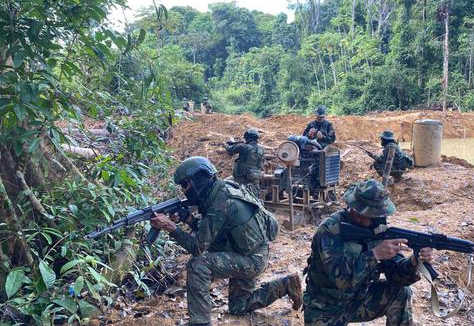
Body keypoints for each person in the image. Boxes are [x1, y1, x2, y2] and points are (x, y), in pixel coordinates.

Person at [150, 157, 302, 326]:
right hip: (247, 250)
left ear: (198, 181)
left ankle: (200, 323)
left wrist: (171, 228)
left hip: (251, 258)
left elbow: (198, 247)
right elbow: (212, 231)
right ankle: (286, 284)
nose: (184, 191)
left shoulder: (220, 203)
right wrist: (187, 218)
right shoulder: (223, 189)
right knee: (239, 306)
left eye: (185, 185)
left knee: (198, 265)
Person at [303, 179, 434, 326]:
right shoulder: (330, 229)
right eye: (375, 216)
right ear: (358, 214)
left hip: (358, 299)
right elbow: (341, 280)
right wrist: (374, 255)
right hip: (324, 307)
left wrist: (414, 261)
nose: (381, 221)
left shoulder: (376, 230)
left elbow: (397, 277)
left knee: (401, 293)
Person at [225, 128, 265, 196]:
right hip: (255, 177)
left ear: (247, 137)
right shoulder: (261, 149)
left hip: (242, 178)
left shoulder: (244, 147)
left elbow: (230, 150)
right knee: (255, 195)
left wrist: (225, 145)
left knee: (226, 186)